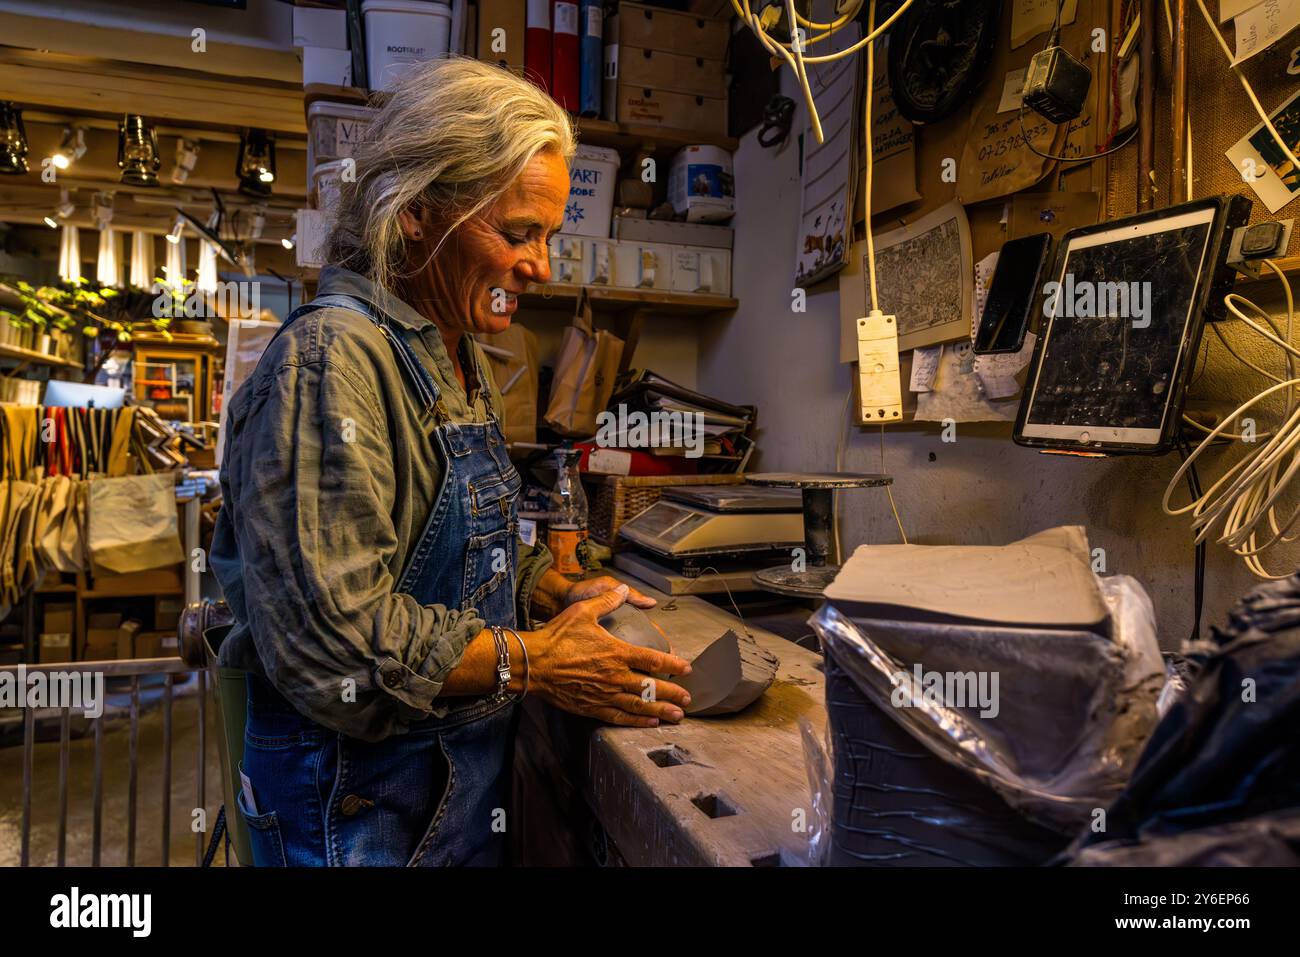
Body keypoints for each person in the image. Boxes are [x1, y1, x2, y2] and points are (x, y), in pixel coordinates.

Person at [210, 57, 692, 867]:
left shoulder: (451, 356)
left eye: (548, 237)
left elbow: (455, 544)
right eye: (517, 232)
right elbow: (338, 643)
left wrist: (555, 585)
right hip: (351, 811)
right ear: (415, 214)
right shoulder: (333, 364)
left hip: (437, 797)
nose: (540, 266)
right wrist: (538, 659)